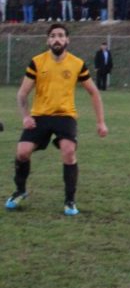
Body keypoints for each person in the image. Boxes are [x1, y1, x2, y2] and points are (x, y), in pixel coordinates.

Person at [7, 24, 108, 216]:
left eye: (61, 36)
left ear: (67, 40)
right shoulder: (37, 62)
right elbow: (22, 93)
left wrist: (100, 122)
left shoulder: (77, 64)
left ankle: (70, 201)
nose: (57, 39)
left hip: (65, 116)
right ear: (48, 41)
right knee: (22, 153)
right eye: (53, 36)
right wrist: (26, 117)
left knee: (69, 151)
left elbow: (94, 92)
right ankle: (20, 191)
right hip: (40, 115)